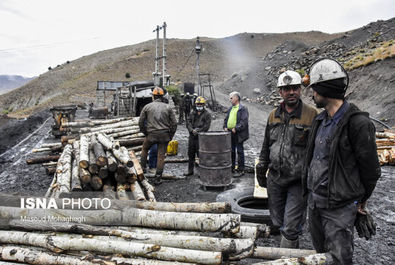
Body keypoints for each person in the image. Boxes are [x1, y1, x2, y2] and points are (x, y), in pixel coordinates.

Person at [302, 58, 381, 264]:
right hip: (315, 203)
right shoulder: (320, 120)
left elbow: (371, 171)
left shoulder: (358, 124)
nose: (313, 94)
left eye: (315, 90)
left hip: (339, 208)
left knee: (339, 259)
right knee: (321, 255)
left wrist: (360, 202)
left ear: (324, 89)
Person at [256, 70, 319, 248]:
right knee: (277, 222)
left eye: (294, 88)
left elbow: (317, 151)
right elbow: (266, 144)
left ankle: (288, 256)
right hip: (275, 178)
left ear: (300, 90)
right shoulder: (273, 115)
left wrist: (313, 179)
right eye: (286, 89)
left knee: (291, 226)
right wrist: (262, 168)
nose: (291, 92)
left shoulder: (312, 115)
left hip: (297, 181)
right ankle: (286, 249)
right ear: (280, 92)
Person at [139, 86, 177, 185]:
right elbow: (174, 123)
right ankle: (158, 178)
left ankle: (142, 170)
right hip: (164, 135)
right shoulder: (168, 107)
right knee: (161, 156)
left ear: (153, 96)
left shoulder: (147, 107)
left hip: (151, 135)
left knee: (145, 149)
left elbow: (141, 122)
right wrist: (170, 135)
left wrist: (145, 133)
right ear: (162, 96)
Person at [184, 96, 212, 176]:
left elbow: (206, 126)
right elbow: (188, 122)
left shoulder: (207, 114)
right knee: (191, 154)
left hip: (201, 138)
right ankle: (190, 171)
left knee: (201, 155)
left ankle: (202, 172)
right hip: (192, 137)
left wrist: (198, 131)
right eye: (198, 104)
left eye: (201, 104)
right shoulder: (192, 112)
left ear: (203, 105)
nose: (199, 106)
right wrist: (191, 130)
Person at [223, 91, 249, 177]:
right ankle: (232, 167)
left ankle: (241, 169)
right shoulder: (230, 108)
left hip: (238, 133)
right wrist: (225, 126)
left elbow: (244, 121)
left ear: (237, 98)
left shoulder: (243, 108)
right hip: (230, 133)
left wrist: (236, 128)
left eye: (231, 98)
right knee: (232, 150)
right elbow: (226, 119)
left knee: (240, 151)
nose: (230, 100)